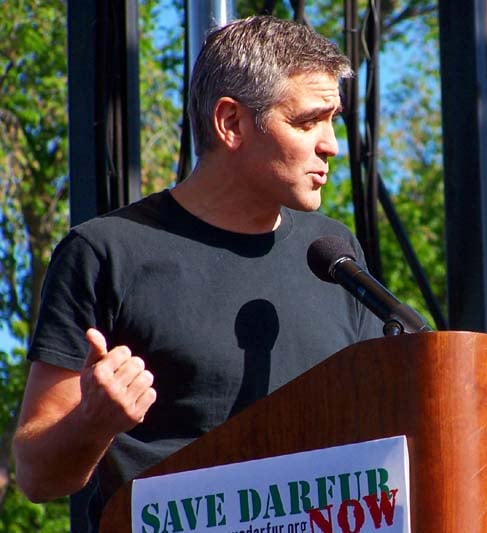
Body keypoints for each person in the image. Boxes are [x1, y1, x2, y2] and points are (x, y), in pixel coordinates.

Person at [12, 15, 384, 531]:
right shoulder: (105, 252)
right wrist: (92, 422)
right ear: (230, 123)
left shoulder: (334, 252)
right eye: (306, 122)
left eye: (333, 121)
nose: (331, 145)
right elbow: (35, 474)